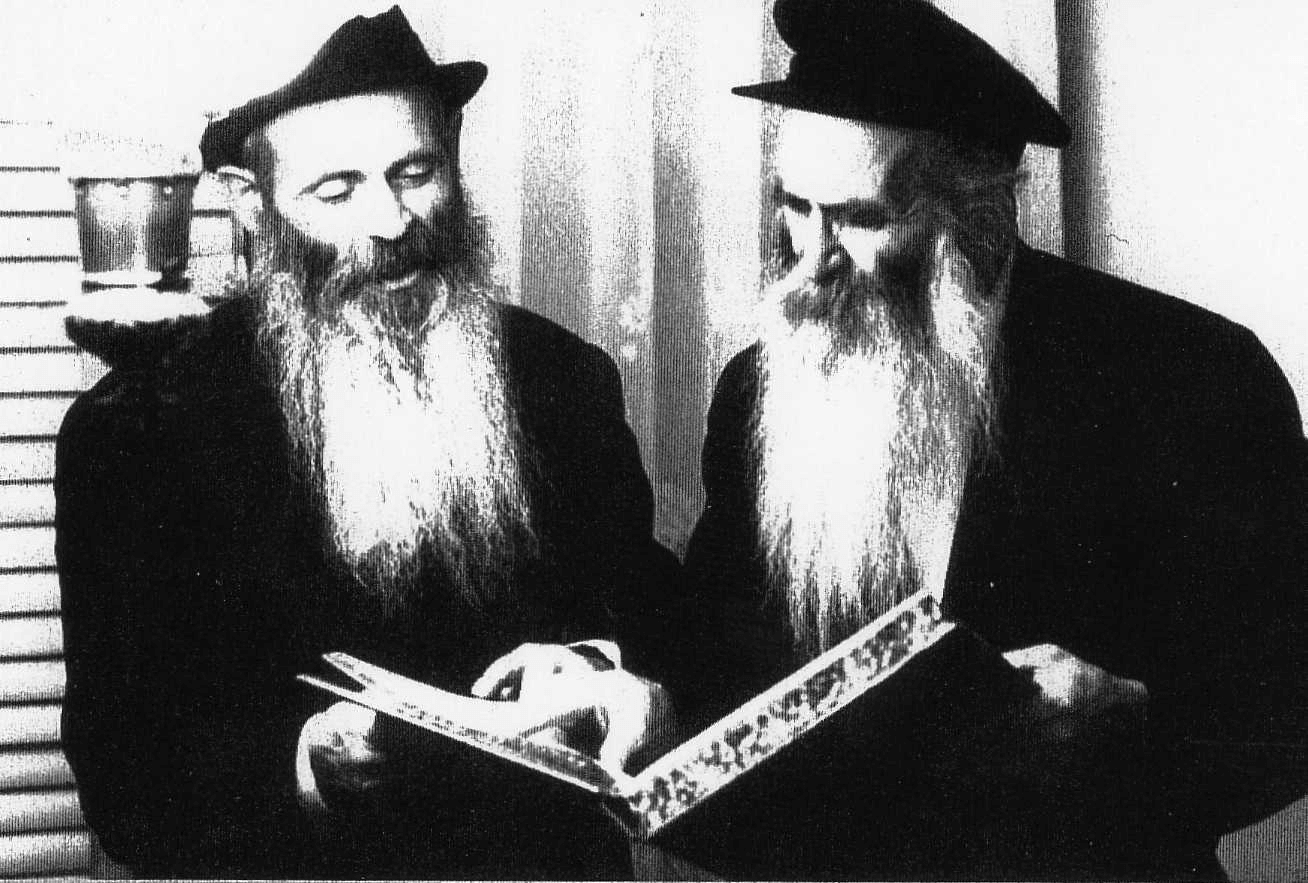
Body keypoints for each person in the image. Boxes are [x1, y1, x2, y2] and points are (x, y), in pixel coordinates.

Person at [677, 0, 1308, 878]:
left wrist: (1131, 713)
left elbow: (1283, 710)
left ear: (976, 218)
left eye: (860, 218)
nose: (812, 264)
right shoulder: (757, 388)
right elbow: (715, 665)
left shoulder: (1189, 376)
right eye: (795, 207)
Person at [56, 7, 677, 878]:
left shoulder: (561, 378)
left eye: (416, 172)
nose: (391, 220)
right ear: (251, 204)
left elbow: (656, 621)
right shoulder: (141, 430)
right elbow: (128, 778)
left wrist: (599, 667)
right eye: (337, 190)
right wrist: (309, 759)